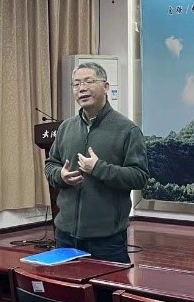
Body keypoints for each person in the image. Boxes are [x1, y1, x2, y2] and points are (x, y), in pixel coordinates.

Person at [44, 62, 149, 262]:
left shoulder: (127, 130)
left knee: (107, 284)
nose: (82, 88)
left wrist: (99, 168)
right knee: (65, 283)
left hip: (107, 239)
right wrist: (60, 175)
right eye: (76, 84)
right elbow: (50, 165)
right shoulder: (66, 128)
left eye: (89, 81)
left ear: (106, 87)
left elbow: (139, 177)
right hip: (65, 235)